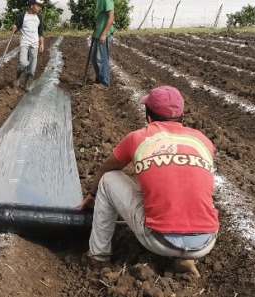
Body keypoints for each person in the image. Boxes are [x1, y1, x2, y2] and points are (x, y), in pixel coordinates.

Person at [76, 86, 219, 277]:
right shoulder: (203, 141)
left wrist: (92, 195)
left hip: (159, 241)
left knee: (109, 179)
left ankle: (97, 256)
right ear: (181, 116)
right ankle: (185, 257)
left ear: (149, 117)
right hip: (206, 242)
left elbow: (106, 170)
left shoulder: (138, 138)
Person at [11, 0, 45, 90]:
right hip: (24, 43)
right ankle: (17, 78)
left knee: (32, 68)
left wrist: (41, 43)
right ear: (31, 6)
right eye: (37, 6)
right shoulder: (22, 16)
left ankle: (26, 85)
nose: (39, 7)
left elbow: (40, 32)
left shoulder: (39, 17)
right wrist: (14, 27)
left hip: (34, 44)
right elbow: (16, 27)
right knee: (22, 64)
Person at [91, 0, 115, 87]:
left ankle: (105, 83)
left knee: (101, 59)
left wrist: (104, 34)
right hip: (98, 32)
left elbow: (111, 17)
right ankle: (99, 80)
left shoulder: (106, 0)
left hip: (104, 34)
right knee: (94, 59)